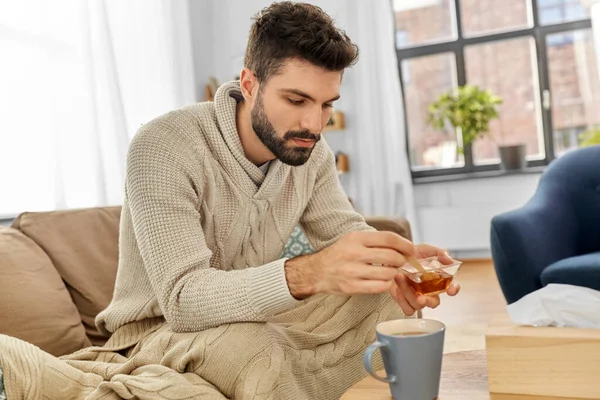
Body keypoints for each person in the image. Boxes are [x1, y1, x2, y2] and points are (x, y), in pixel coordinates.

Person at [0, 2, 459, 399]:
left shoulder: (311, 155)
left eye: (325, 104)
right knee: (257, 352)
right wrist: (311, 272)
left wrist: (400, 263)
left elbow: (345, 232)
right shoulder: (163, 145)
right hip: (159, 332)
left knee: (385, 304)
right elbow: (183, 300)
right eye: (296, 99)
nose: (314, 124)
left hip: (253, 319)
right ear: (250, 83)